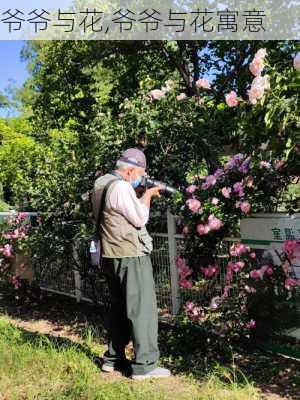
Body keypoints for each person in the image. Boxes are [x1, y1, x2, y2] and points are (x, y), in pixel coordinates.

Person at [91, 148, 171, 380]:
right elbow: (139, 218)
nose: (138, 178)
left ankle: (113, 359)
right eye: (139, 174)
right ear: (130, 170)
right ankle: (145, 365)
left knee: (119, 308)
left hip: (110, 253)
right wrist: (147, 196)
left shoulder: (102, 182)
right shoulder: (123, 186)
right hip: (130, 254)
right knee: (141, 309)